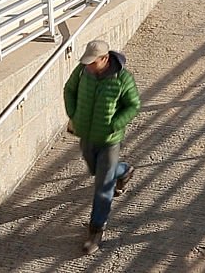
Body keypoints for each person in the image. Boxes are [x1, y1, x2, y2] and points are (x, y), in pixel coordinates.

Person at [63, 39, 141, 255]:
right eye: (86, 62)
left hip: (109, 140)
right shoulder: (82, 72)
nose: (87, 66)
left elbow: (133, 105)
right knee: (96, 172)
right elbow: (69, 90)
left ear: (104, 59)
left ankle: (96, 230)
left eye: (92, 62)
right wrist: (73, 114)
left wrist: (114, 124)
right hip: (87, 136)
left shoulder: (122, 79)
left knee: (103, 186)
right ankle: (124, 171)